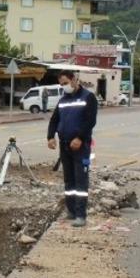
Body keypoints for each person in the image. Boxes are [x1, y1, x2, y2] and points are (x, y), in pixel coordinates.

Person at [47, 69, 98, 227]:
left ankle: (81, 215)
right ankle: (71, 211)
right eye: (62, 84)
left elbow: (90, 121)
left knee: (80, 181)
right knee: (69, 180)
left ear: (74, 79)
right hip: (65, 145)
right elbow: (54, 120)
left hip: (80, 146)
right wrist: (50, 137)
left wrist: (80, 138)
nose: (64, 86)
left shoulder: (88, 97)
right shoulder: (63, 100)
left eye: (66, 83)